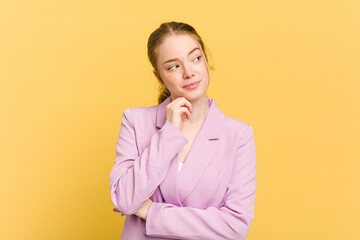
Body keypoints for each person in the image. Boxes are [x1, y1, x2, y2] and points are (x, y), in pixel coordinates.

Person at [109, 21, 257, 240]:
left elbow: (236, 227)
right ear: (159, 77)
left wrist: (150, 212)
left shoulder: (238, 135)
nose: (189, 72)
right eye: (173, 66)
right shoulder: (135, 121)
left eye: (196, 58)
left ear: (206, 61)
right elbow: (124, 199)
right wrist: (168, 134)